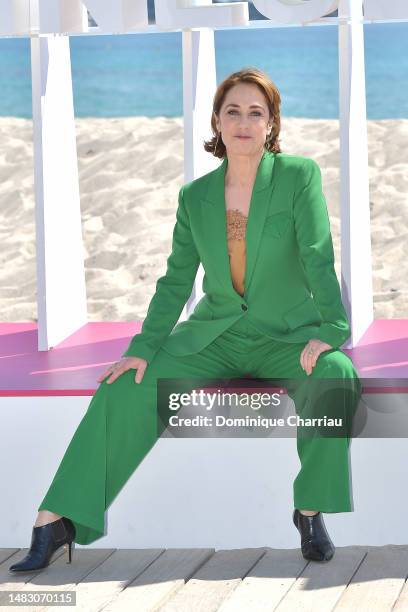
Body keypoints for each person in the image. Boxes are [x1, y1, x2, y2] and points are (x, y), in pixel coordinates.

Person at [9, 67, 362, 573]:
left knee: (336, 377)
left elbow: (316, 255)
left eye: (255, 112)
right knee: (126, 384)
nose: (243, 121)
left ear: (271, 123)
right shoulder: (194, 197)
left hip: (286, 336)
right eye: (233, 111)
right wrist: (144, 346)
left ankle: (309, 510)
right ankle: (57, 518)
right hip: (213, 336)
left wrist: (331, 331)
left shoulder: (297, 176)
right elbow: (176, 280)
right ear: (217, 121)